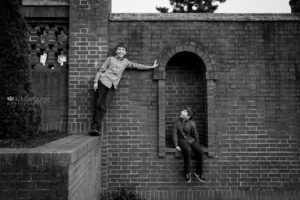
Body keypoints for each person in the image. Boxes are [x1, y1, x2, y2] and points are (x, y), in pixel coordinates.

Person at [89, 43, 158, 136]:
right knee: (98, 104)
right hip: (103, 82)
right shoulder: (110, 59)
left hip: (112, 86)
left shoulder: (126, 62)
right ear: (116, 51)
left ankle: (97, 126)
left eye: (123, 50)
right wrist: (95, 81)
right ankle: (95, 128)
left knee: (103, 106)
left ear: (125, 52)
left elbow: (137, 66)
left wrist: (151, 67)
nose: (121, 51)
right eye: (119, 49)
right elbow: (101, 70)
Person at [173, 107, 206, 183]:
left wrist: (197, 144)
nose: (182, 111)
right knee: (188, 150)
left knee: (200, 151)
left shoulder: (192, 123)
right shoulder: (177, 122)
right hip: (182, 140)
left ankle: (198, 173)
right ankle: (187, 174)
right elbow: (174, 133)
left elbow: (195, 134)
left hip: (191, 139)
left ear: (188, 116)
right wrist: (176, 144)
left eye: (184, 111)